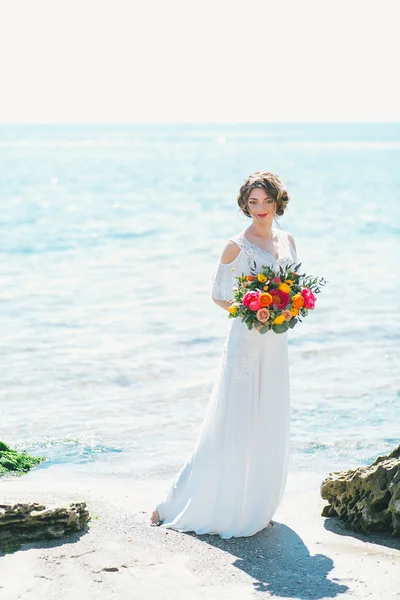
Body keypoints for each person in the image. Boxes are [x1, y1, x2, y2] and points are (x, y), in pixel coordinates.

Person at [151, 170, 298, 539]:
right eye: (253, 202)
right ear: (244, 205)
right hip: (247, 341)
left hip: (276, 342)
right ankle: (191, 501)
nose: (260, 209)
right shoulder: (236, 245)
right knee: (235, 422)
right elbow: (219, 294)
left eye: (266, 201)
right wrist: (251, 308)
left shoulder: (289, 241)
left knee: (269, 416)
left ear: (278, 201)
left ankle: (258, 503)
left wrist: (288, 308)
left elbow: (294, 288)